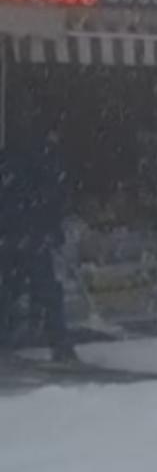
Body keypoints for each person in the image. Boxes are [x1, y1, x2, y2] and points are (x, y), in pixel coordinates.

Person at [0, 131, 80, 364]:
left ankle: (5, 338)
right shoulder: (45, 170)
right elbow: (50, 204)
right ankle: (59, 343)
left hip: (13, 236)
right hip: (32, 237)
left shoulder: (13, 166)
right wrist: (52, 233)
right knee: (46, 290)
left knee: (10, 289)